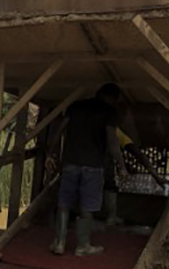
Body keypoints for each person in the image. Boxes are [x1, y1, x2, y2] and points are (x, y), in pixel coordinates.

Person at [46, 83, 128, 256]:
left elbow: (59, 130)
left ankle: (59, 243)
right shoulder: (109, 112)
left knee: (64, 203)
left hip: (70, 163)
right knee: (87, 206)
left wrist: (50, 153)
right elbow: (112, 141)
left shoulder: (76, 106)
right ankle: (83, 245)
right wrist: (121, 166)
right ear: (113, 99)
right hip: (93, 166)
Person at [103, 126, 169, 227]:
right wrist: (155, 175)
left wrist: (156, 176)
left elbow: (137, 153)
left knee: (108, 185)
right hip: (98, 165)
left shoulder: (115, 132)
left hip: (93, 165)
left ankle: (109, 216)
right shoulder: (113, 130)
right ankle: (110, 217)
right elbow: (137, 154)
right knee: (109, 186)